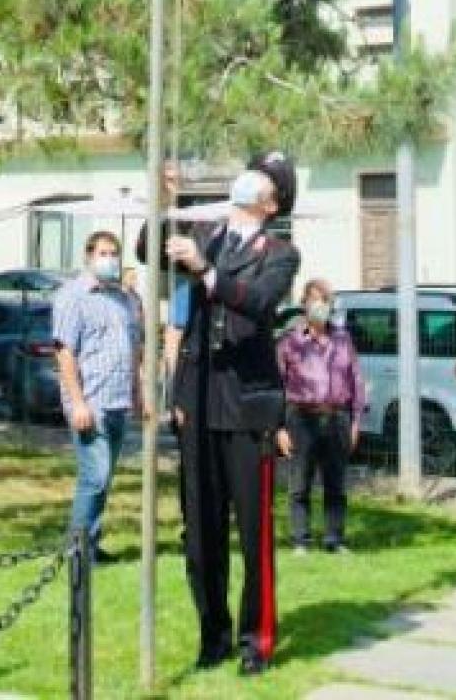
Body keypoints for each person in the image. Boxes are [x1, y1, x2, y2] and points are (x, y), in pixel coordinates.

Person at [165, 151, 300, 676]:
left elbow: (259, 300)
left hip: (247, 407)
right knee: (200, 532)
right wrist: (165, 202)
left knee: (253, 532)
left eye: (261, 179)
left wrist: (209, 273)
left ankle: (255, 639)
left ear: (273, 201)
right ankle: (213, 633)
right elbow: (150, 251)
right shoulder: (209, 234)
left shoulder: (281, 252)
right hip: (198, 402)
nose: (248, 181)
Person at [52, 230, 142, 563]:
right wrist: (77, 402)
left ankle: (90, 542)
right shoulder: (72, 296)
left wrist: (139, 391)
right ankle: (76, 551)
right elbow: (64, 352)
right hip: (90, 402)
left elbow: (133, 348)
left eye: (114, 252)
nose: (110, 259)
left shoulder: (122, 298)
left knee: (104, 479)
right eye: (103, 252)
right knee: (95, 474)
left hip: (118, 399)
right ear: (89, 257)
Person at [277, 277, 366, 554]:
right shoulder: (290, 342)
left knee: (336, 484)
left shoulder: (342, 339)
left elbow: (356, 381)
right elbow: (276, 386)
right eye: (315, 299)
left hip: (337, 417)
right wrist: (279, 427)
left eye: (325, 301)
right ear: (304, 303)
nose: (320, 306)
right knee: (299, 483)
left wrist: (355, 422)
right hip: (301, 418)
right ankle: (300, 540)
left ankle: (334, 539)